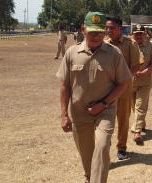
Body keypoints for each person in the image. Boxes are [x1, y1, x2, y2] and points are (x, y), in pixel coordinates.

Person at [56, 11, 131, 183]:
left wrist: (104, 104)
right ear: (83, 30)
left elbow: (123, 83)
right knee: (86, 152)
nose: (97, 36)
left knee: (103, 146)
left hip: (105, 111)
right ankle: (89, 177)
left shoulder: (114, 54)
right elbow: (64, 85)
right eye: (92, 32)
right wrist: (63, 114)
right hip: (79, 113)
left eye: (100, 32)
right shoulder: (72, 53)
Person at [104, 16, 141, 160]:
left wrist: (123, 81)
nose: (108, 30)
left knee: (123, 119)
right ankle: (104, 148)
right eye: (107, 28)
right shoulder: (103, 44)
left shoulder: (130, 44)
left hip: (124, 89)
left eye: (112, 28)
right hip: (106, 89)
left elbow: (136, 66)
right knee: (105, 120)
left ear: (120, 28)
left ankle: (121, 148)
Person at [130, 25, 152, 145]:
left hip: (145, 81)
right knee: (133, 106)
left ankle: (137, 132)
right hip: (130, 81)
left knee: (140, 106)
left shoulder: (151, 46)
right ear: (133, 35)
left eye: (140, 33)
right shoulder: (129, 46)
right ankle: (141, 124)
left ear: (145, 34)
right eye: (136, 34)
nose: (138, 36)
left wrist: (146, 71)